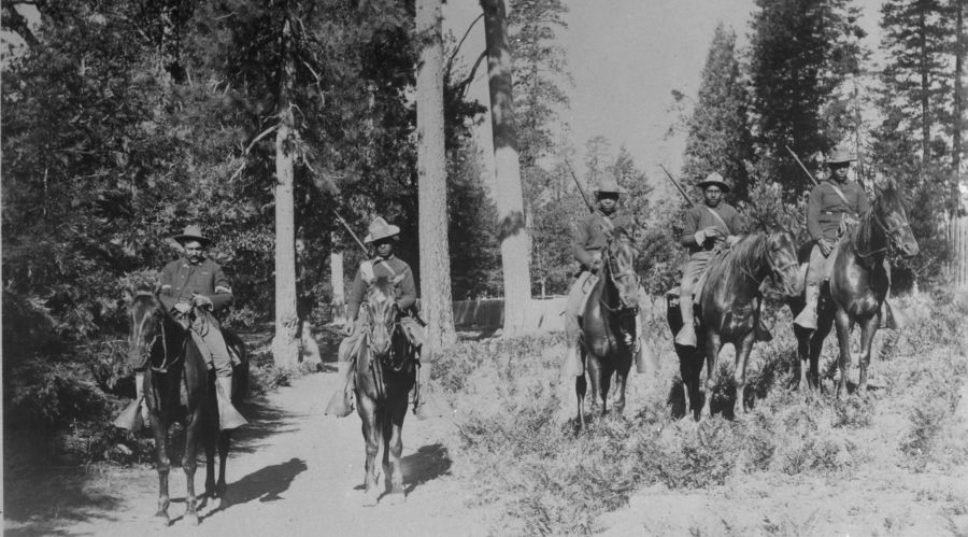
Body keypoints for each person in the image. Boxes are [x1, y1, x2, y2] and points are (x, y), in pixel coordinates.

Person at [325, 216, 444, 419]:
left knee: (425, 348)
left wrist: (394, 306)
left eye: (385, 241)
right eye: (378, 243)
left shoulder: (403, 267)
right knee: (345, 347)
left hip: (399, 316)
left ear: (392, 241)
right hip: (370, 316)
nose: (382, 246)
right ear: (373, 245)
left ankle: (423, 396)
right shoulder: (366, 268)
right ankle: (342, 395)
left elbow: (410, 296)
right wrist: (350, 320)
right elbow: (355, 298)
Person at [153, 225, 246, 430]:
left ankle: (225, 409)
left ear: (203, 248)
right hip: (175, 319)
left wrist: (207, 299)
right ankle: (143, 407)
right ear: (183, 247)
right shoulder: (171, 268)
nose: (194, 252)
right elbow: (161, 294)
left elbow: (227, 296)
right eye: (191, 248)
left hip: (203, 320)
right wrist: (174, 304)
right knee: (145, 353)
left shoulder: (214, 268)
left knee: (223, 360)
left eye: (198, 249)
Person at [795, 149, 898, 330]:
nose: (842, 169)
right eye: (838, 166)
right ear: (832, 167)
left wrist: (855, 221)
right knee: (816, 265)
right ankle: (811, 307)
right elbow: (811, 219)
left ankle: (885, 307)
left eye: (845, 165)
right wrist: (820, 240)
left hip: (854, 237)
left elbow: (867, 215)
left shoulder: (856, 189)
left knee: (885, 266)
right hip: (828, 238)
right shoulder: (820, 190)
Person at [561, 177, 651, 380]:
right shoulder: (588, 221)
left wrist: (626, 256)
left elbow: (635, 246)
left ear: (617, 198)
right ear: (598, 198)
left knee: (644, 303)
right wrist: (590, 260)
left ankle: (642, 344)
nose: (608, 200)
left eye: (611, 197)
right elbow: (577, 247)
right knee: (572, 306)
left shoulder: (626, 221)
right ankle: (573, 350)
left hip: (619, 270)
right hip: (593, 271)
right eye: (604, 197)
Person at [675, 172, 745, 348]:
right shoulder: (694, 212)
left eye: (716, 191)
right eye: (709, 191)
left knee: (747, 282)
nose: (713, 194)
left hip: (725, 255)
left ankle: (755, 323)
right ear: (704, 192)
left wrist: (733, 240)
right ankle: (688, 327)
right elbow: (685, 239)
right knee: (685, 286)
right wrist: (702, 234)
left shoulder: (731, 212)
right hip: (700, 256)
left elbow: (741, 236)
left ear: (722, 193)